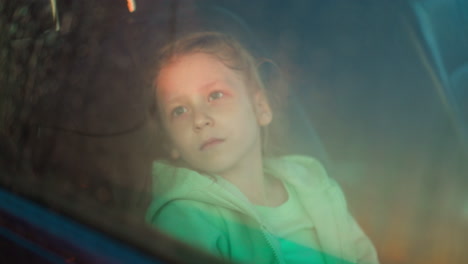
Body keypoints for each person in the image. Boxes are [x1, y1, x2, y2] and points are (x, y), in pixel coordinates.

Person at [146, 32, 379, 264]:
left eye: (215, 95)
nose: (199, 119)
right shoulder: (183, 220)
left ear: (261, 108)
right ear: (171, 143)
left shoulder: (314, 185)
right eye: (179, 111)